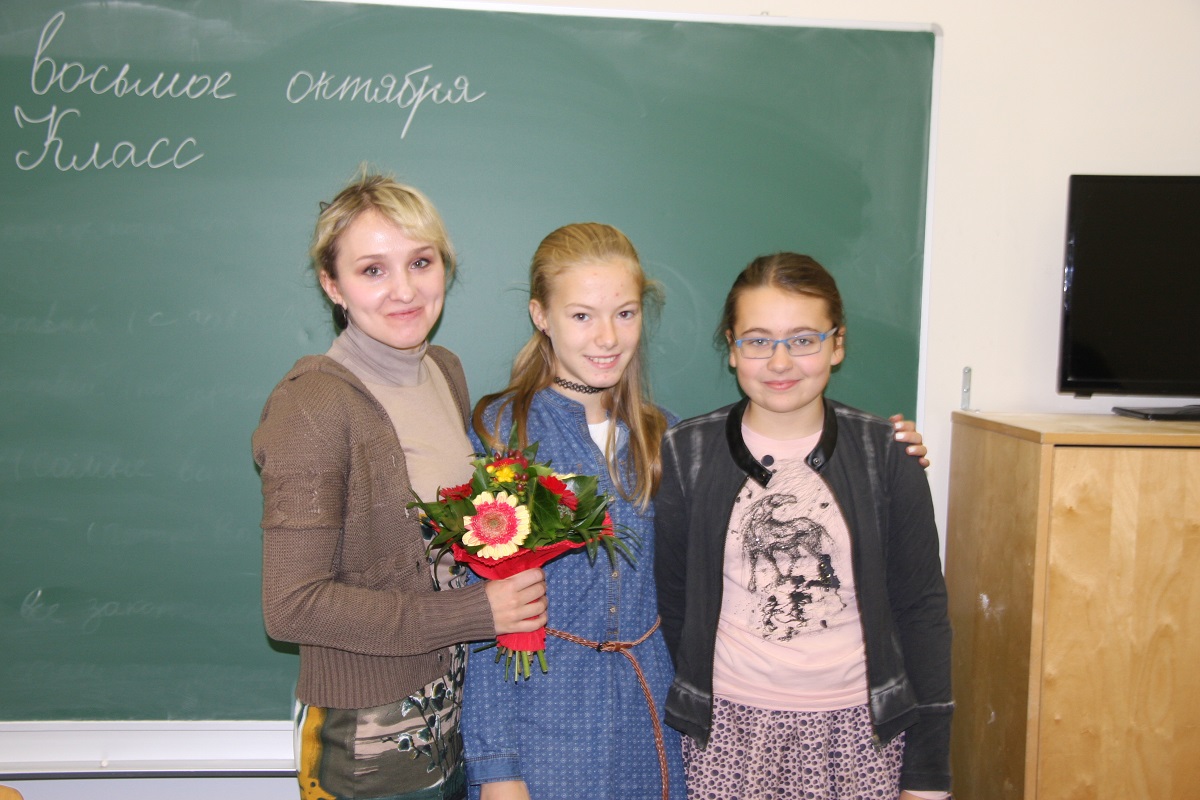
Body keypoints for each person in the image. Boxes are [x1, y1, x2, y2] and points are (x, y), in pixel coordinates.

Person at [460, 227, 930, 800]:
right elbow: (485, 618)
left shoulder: (668, 439)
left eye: (625, 313)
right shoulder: (504, 436)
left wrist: (889, 446)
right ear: (541, 315)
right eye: (582, 316)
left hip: (654, 725)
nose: (607, 337)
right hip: (543, 726)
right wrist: (497, 767)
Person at [252, 172, 548, 800]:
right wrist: (476, 613)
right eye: (373, 270)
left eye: (421, 262)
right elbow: (292, 605)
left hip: (452, 718)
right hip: (368, 742)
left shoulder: (443, 370)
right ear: (333, 286)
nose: (405, 290)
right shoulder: (312, 407)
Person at [653, 252, 952, 800]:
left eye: (804, 339)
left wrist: (928, 779)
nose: (780, 361)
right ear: (732, 348)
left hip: (860, 732)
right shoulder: (685, 452)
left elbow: (922, 613)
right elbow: (675, 601)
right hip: (729, 734)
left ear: (837, 345)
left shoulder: (886, 453)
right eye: (758, 340)